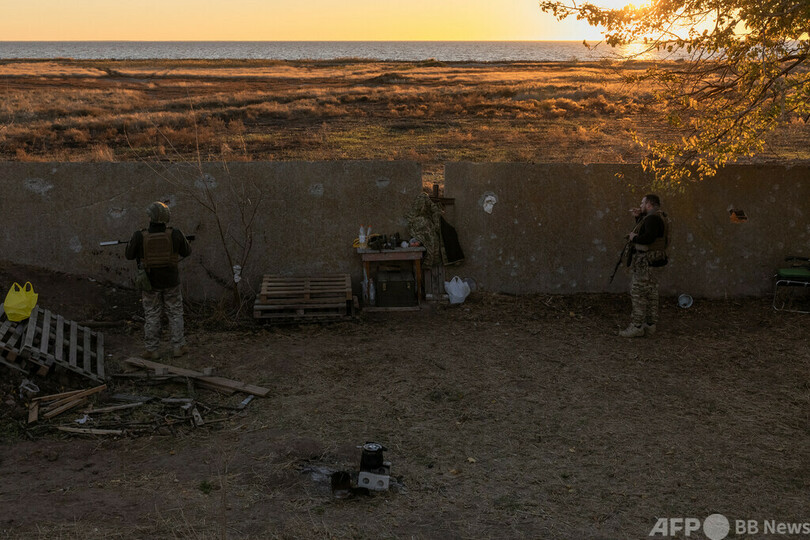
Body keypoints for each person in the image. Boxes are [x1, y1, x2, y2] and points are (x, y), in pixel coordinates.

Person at [126, 201, 192, 358]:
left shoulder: (139, 235)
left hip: (150, 283)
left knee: (152, 314)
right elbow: (187, 251)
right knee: (175, 313)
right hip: (171, 282)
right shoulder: (175, 233)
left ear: (150, 217)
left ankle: (152, 350)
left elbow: (129, 255)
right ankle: (178, 347)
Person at [619, 194, 669, 338]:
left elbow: (648, 238)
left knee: (638, 293)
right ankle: (650, 325)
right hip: (655, 261)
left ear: (649, 205)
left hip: (646, 262)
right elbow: (649, 231)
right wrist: (638, 217)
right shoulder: (658, 216)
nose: (640, 205)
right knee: (651, 293)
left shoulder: (652, 218)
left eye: (642, 203)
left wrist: (634, 237)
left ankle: (637, 326)